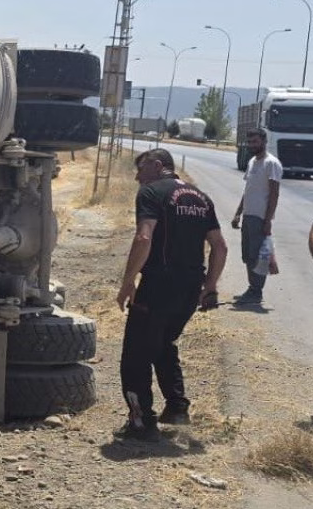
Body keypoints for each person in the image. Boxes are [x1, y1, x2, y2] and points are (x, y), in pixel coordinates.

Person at [115, 149, 227, 441]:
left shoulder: (151, 194)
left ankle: (141, 422)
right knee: (164, 342)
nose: (138, 176)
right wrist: (210, 286)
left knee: (135, 354)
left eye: (140, 169)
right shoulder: (202, 198)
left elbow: (143, 237)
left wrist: (128, 282)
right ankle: (177, 407)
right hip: (190, 289)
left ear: (157, 165)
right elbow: (220, 246)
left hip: (157, 286)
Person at [231, 128, 282, 305]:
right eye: (250, 142)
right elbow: (248, 191)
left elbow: (274, 194)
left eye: (255, 142)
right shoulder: (253, 161)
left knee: (258, 256)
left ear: (263, 141)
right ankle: (252, 287)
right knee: (248, 255)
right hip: (248, 215)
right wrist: (238, 213)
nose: (252, 145)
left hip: (260, 217)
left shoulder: (271, 163)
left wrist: (268, 220)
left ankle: (256, 292)